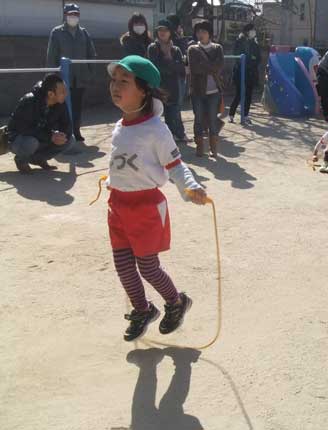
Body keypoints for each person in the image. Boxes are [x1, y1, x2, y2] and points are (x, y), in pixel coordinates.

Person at [106, 55, 209, 341]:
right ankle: (143, 309)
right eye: (114, 80)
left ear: (143, 90)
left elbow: (175, 165)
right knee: (123, 265)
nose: (115, 86)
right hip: (118, 206)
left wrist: (190, 187)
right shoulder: (119, 126)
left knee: (147, 266)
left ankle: (176, 302)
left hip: (145, 207)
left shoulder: (156, 129)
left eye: (124, 81)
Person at [46, 3, 97, 144]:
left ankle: (76, 130)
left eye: (76, 14)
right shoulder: (57, 32)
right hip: (62, 78)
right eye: (70, 14)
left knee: (77, 106)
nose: (73, 16)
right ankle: (63, 132)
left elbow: (91, 53)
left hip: (79, 77)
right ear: (65, 15)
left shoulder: (84, 33)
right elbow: (51, 56)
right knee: (60, 106)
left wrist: (90, 72)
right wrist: (51, 76)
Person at [7, 74, 73, 173]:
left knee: (69, 140)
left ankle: (39, 159)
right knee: (31, 142)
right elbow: (24, 129)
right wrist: (50, 136)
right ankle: (21, 160)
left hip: (42, 136)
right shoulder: (29, 101)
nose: (66, 94)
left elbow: (66, 124)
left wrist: (62, 135)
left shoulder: (60, 102)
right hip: (17, 139)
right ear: (51, 94)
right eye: (62, 92)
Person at [187, 21, 224, 157]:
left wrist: (205, 66)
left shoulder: (217, 48)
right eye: (198, 32)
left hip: (214, 91)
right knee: (198, 119)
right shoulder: (192, 49)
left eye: (204, 31)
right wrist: (211, 67)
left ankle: (213, 147)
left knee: (213, 119)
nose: (200, 34)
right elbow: (195, 69)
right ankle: (200, 146)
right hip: (197, 91)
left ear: (209, 34)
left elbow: (219, 66)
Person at [148, 19, 188, 143]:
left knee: (174, 111)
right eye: (160, 30)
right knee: (158, 112)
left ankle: (179, 134)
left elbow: (181, 68)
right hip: (159, 85)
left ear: (170, 32)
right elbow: (156, 67)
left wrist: (169, 58)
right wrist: (171, 64)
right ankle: (164, 138)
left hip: (174, 85)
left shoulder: (175, 49)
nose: (163, 32)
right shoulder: (153, 48)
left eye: (165, 30)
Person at [229, 23, 262, 125]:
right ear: (247, 32)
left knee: (248, 94)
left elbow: (258, 58)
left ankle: (245, 115)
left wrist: (252, 59)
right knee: (239, 94)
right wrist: (250, 59)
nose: (254, 32)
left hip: (251, 73)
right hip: (240, 72)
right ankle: (231, 114)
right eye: (252, 30)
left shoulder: (255, 43)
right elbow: (237, 56)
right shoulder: (240, 41)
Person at [166, 14, 193, 109]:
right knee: (177, 102)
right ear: (177, 26)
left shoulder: (167, 37)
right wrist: (183, 39)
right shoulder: (176, 39)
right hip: (178, 74)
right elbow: (183, 53)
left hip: (174, 73)